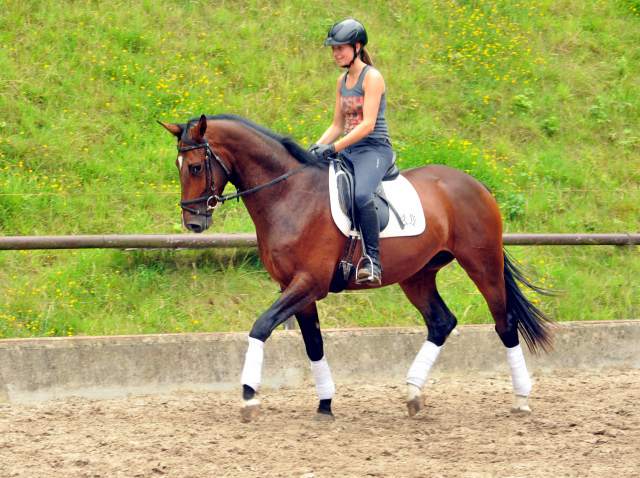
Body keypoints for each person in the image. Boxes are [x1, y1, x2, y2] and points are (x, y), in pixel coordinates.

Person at [309, 18, 394, 287]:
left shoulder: (373, 77)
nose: (335, 54)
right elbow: (338, 125)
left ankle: (373, 261)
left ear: (357, 47)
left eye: (340, 48)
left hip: (375, 149)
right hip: (350, 149)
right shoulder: (342, 81)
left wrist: (333, 148)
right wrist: (314, 149)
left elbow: (367, 125)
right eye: (333, 49)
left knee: (360, 195)